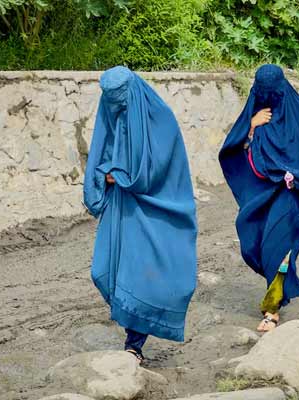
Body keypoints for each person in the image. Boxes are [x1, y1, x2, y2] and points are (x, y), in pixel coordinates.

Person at [83, 66, 197, 362]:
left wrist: (117, 175)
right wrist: (105, 175)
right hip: (121, 206)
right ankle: (133, 340)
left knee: (142, 277)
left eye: (119, 98)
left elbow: (154, 170)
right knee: (102, 272)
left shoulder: (163, 121)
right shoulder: (113, 112)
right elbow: (101, 154)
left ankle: (134, 345)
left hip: (154, 207)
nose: (114, 105)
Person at [219, 64, 299, 332]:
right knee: (251, 244)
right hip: (259, 192)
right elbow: (234, 150)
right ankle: (278, 288)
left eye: (270, 91)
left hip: (291, 193)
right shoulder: (255, 109)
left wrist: (295, 176)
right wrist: (250, 126)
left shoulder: (296, 110)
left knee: (277, 249)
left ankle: (272, 309)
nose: (266, 95)